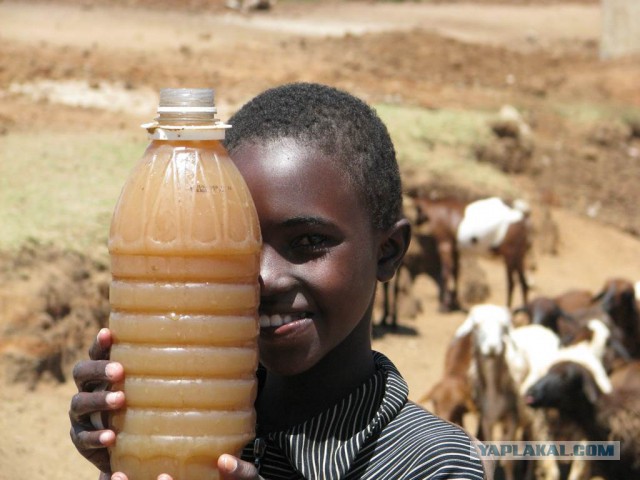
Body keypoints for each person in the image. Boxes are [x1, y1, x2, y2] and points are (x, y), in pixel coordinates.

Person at [69, 82, 488, 479]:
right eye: (242, 244)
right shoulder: (198, 435)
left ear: (388, 251)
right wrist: (136, 436)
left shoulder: (432, 461)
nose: (264, 278)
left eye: (308, 241)